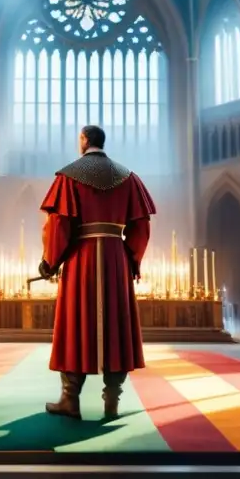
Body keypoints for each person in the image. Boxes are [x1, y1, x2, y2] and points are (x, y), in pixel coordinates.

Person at [39, 125, 155, 421]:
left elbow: (59, 226)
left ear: (84, 141)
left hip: (82, 259)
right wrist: (131, 259)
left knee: (76, 322)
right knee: (116, 326)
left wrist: (49, 261)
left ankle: (70, 400)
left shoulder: (69, 176)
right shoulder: (128, 177)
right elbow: (141, 227)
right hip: (116, 258)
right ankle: (112, 403)